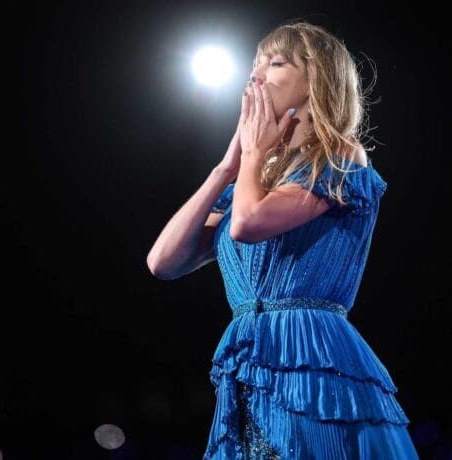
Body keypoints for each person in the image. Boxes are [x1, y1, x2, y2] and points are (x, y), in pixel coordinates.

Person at [146, 21, 419, 459]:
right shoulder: (249, 181)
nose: (255, 76)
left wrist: (253, 157)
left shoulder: (342, 157)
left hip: (310, 355)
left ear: (318, 79)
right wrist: (226, 168)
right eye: (254, 65)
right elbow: (163, 262)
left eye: (274, 63)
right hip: (250, 357)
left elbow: (247, 224)